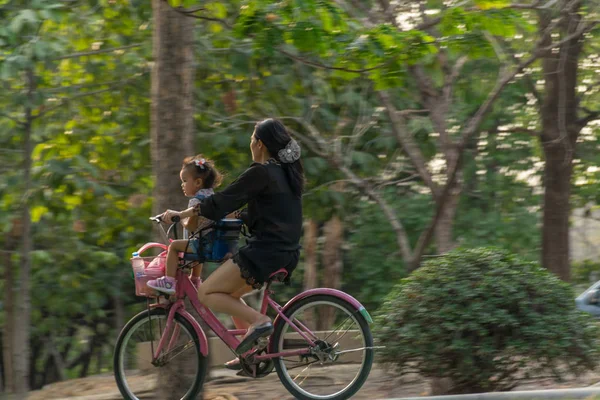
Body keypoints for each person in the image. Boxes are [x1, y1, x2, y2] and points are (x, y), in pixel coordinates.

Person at [160, 118, 304, 354]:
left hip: (265, 252)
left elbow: (220, 201)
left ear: (259, 144)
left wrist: (181, 213)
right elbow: (274, 214)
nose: (250, 145)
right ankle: (251, 353)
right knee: (232, 295)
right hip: (285, 252)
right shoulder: (285, 174)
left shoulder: (261, 172)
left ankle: (260, 322)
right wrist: (242, 215)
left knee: (207, 293)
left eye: (250, 140)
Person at [147, 155, 221, 293]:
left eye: (185, 181)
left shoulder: (196, 201)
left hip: (204, 244)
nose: (182, 185)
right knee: (193, 243)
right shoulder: (212, 196)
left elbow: (191, 226)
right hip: (213, 241)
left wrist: (180, 218)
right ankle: (195, 279)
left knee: (174, 246)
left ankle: (168, 282)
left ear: (198, 182)